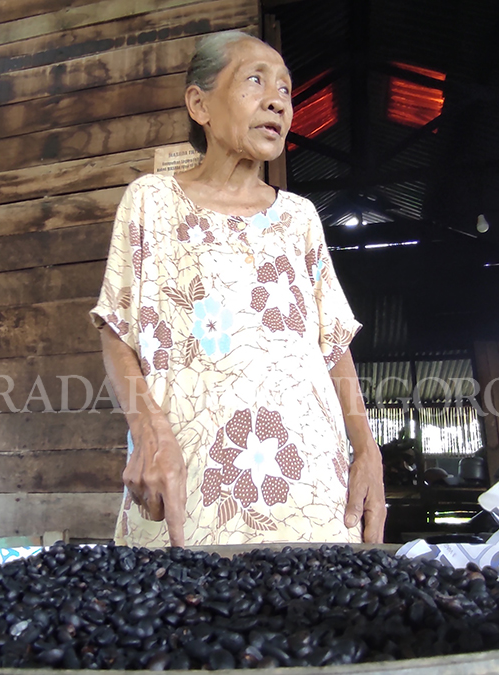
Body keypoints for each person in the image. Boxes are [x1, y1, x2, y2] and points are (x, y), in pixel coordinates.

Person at [88, 31, 384, 547]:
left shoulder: (299, 218)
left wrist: (367, 452)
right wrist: (148, 429)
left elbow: (333, 345)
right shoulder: (152, 202)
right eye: (255, 80)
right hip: (191, 490)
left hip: (313, 494)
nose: (277, 100)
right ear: (199, 104)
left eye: (286, 91)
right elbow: (117, 330)